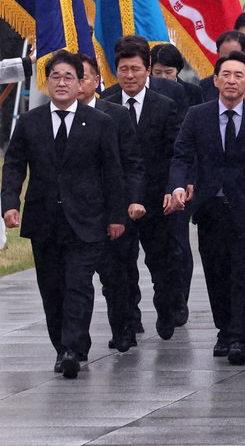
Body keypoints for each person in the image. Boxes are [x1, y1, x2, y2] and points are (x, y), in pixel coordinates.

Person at [1, 51, 125, 379]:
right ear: (46, 81)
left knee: (78, 284)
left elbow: (112, 172)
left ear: (82, 83)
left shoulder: (100, 122)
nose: (61, 82)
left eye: (69, 76)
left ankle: (73, 347)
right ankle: (63, 346)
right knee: (52, 288)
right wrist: (10, 203)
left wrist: (116, 216)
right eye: (55, 76)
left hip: (86, 220)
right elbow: (14, 165)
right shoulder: (30, 122)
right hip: (45, 220)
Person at [169, 53, 245, 365]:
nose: (231, 81)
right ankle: (224, 329)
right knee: (216, 272)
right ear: (215, 80)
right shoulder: (197, 115)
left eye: (239, 75)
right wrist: (177, 185)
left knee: (244, 273)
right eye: (225, 74)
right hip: (209, 207)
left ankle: (239, 337)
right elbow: (182, 155)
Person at [104, 40, 184, 341]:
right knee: (120, 267)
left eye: (136, 69)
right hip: (119, 202)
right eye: (123, 69)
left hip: (156, 201)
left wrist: (169, 190)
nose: (130, 75)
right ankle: (126, 323)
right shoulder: (106, 104)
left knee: (162, 263)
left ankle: (166, 311)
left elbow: (174, 153)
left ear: (147, 69)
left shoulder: (165, 106)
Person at [78, 55, 147, 355]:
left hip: (112, 210)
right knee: (76, 282)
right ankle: (74, 341)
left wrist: (131, 202)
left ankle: (123, 328)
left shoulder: (115, 114)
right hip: (74, 212)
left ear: (97, 81)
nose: (76, 84)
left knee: (116, 277)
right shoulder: (48, 117)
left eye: (83, 77)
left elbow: (131, 163)